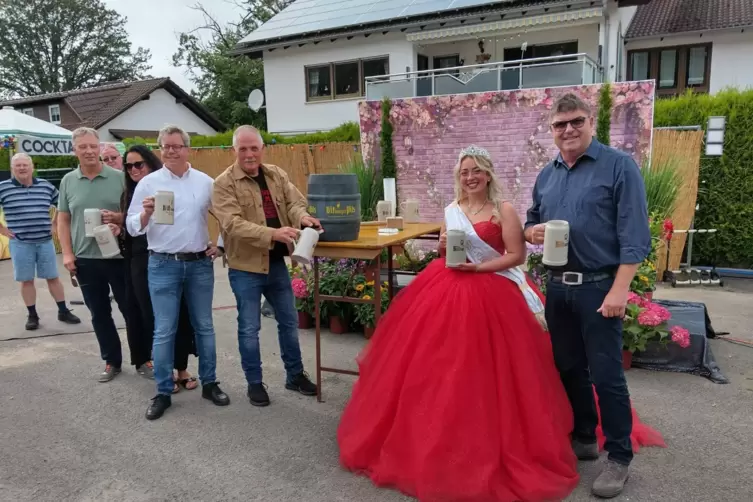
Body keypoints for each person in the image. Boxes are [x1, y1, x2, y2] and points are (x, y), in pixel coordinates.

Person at [337, 145, 664, 502]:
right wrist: (444, 246)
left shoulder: (503, 210)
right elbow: (448, 256)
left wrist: (477, 268)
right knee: (443, 369)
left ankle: (598, 446)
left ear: (488, 173)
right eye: (464, 172)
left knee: (531, 371)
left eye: (476, 170)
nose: (470, 177)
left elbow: (516, 255)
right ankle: (444, 438)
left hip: (497, 293)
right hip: (446, 292)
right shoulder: (451, 210)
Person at [524, 93, 654, 498]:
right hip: (558, 286)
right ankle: (584, 435)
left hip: (600, 287)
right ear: (552, 130)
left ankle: (618, 458)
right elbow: (530, 220)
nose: (568, 130)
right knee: (568, 367)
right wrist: (532, 233)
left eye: (575, 121)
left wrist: (619, 291)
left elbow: (635, 238)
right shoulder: (547, 174)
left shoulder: (619, 167)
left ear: (590, 121)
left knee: (607, 375)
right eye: (560, 125)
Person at [212, 125, 320, 407]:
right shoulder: (223, 183)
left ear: (262, 149)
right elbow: (232, 224)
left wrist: (303, 218)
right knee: (249, 328)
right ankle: (254, 383)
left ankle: (295, 375)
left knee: (289, 321)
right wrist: (272, 234)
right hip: (245, 267)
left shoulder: (275, 174)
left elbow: (295, 202)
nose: (249, 154)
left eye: (254, 148)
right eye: (243, 149)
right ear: (234, 151)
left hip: (276, 264)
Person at [126, 124, 228, 421]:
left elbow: (226, 215)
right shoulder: (148, 183)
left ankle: (210, 383)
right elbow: (132, 226)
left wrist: (220, 246)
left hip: (198, 263)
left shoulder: (205, 182)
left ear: (187, 148)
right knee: (164, 330)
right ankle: (162, 391)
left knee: (204, 326)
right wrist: (144, 213)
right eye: (166, 146)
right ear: (161, 149)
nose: (171, 150)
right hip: (162, 263)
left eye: (177, 145)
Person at [118, 144, 203, 390]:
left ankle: (182, 367)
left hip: (170, 255)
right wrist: (119, 225)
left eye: (138, 164)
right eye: (129, 165)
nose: (134, 169)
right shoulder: (130, 191)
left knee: (181, 315)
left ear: (150, 162)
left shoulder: (168, 184)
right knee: (156, 319)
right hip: (140, 258)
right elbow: (130, 229)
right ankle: (163, 373)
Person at [57, 128, 128, 382]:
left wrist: (118, 219)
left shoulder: (119, 177)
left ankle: (144, 358)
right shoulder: (67, 181)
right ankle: (111, 360)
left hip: (119, 257)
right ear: (74, 150)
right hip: (85, 260)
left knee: (132, 310)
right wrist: (67, 254)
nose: (88, 151)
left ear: (99, 147)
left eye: (92, 146)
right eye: (82, 147)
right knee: (99, 313)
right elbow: (63, 220)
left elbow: (131, 215)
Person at [0, 153, 80, 330]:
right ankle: (32, 315)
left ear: (32, 167)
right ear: (12, 168)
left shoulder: (45, 186)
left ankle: (63, 310)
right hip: (20, 242)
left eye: (25, 165)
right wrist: (2, 230)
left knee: (53, 277)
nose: (22, 168)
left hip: (45, 241)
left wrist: (55, 223)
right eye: (18, 165)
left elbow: (61, 204)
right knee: (26, 280)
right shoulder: (3, 187)